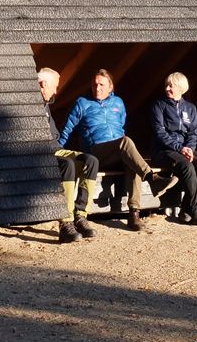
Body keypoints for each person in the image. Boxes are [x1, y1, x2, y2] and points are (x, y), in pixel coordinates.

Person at [57, 68, 177, 231]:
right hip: (95, 153)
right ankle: (152, 178)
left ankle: (134, 213)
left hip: (117, 152)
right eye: (94, 85)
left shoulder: (118, 103)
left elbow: (121, 125)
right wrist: (56, 150)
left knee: (133, 162)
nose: (97, 88)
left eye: (101, 85)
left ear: (110, 87)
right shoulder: (82, 103)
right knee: (126, 143)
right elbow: (67, 129)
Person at [38, 68, 99, 243]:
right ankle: (65, 222)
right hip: (40, 152)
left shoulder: (45, 104)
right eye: (55, 87)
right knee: (67, 164)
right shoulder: (30, 104)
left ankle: (81, 215)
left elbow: (55, 136)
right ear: (43, 85)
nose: (56, 91)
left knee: (90, 161)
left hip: (55, 148)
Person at [149, 71, 197, 225]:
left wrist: (189, 148)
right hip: (164, 150)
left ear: (181, 88)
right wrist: (179, 148)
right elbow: (160, 132)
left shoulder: (190, 108)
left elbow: (193, 132)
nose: (167, 88)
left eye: (171, 85)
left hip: (184, 149)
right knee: (187, 166)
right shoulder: (159, 105)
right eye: (166, 85)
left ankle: (185, 209)